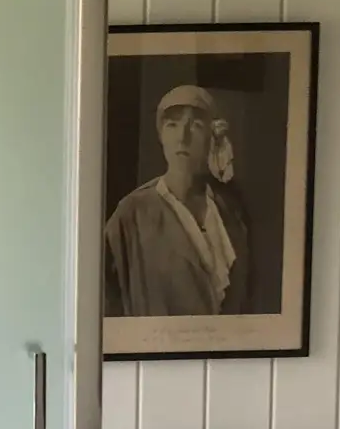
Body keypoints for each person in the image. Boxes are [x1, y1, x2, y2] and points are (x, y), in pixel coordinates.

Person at [105, 83, 252, 316]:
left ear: (212, 137)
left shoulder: (228, 211)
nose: (182, 137)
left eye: (196, 125)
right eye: (172, 125)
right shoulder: (132, 213)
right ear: (161, 136)